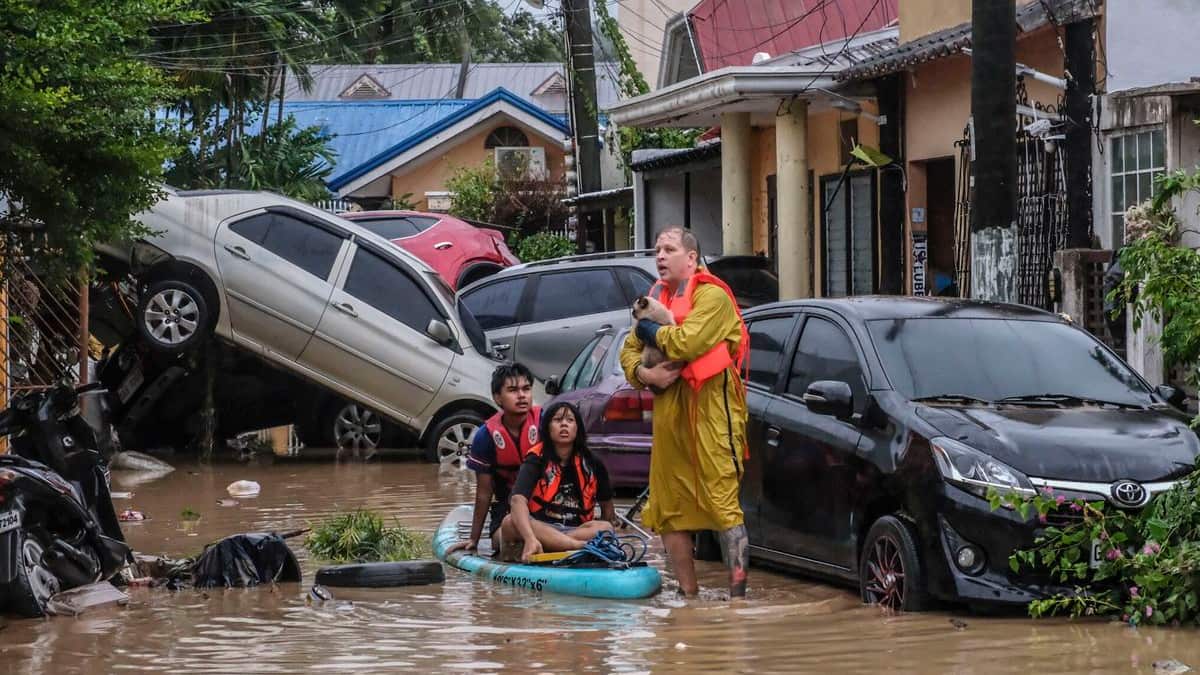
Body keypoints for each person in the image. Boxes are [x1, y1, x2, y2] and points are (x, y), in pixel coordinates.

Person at [619, 226, 750, 598]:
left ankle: (738, 601)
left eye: (669, 249)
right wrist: (645, 373)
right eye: (657, 249)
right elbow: (626, 352)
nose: (659, 256)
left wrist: (647, 331)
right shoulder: (656, 296)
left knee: (724, 506)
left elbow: (686, 342)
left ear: (691, 258)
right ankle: (689, 596)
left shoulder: (713, 297)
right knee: (669, 508)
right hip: (668, 418)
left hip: (711, 415)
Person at [499, 401, 616, 562]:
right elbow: (518, 500)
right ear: (548, 427)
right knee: (509, 522)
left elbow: (608, 512)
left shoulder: (593, 463)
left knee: (605, 528)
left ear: (578, 428)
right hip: (539, 528)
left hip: (575, 530)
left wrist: (608, 536)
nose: (564, 425)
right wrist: (530, 538)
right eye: (557, 420)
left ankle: (556, 543)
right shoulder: (536, 459)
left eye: (570, 420)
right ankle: (576, 547)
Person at [447, 363, 541, 556]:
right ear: (498, 398)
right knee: (503, 536)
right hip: (507, 512)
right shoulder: (485, 436)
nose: (522, 396)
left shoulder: (546, 423)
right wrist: (474, 538)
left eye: (526, 389)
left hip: (544, 507)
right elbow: (484, 493)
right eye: (513, 390)